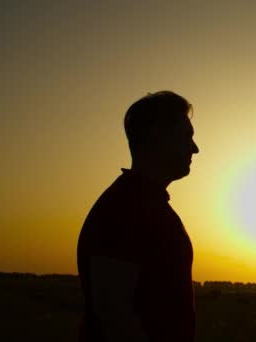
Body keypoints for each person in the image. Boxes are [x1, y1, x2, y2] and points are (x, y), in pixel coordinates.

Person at [77, 91, 200, 342]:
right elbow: (113, 312)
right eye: (187, 136)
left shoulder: (148, 204)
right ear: (158, 134)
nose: (195, 148)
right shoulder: (126, 207)